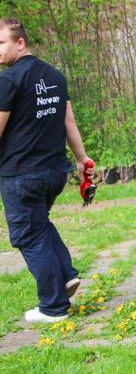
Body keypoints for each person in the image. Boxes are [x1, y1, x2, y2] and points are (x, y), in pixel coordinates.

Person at [0, 18, 95, 323]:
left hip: (21, 175)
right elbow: (69, 121)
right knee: (39, 225)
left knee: (28, 235)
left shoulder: (8, 80)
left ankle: (53, 307)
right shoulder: (54, 75)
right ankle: (66, 276)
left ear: (20, 43)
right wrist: (81, 160)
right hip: (55, 171)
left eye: (1, 43)